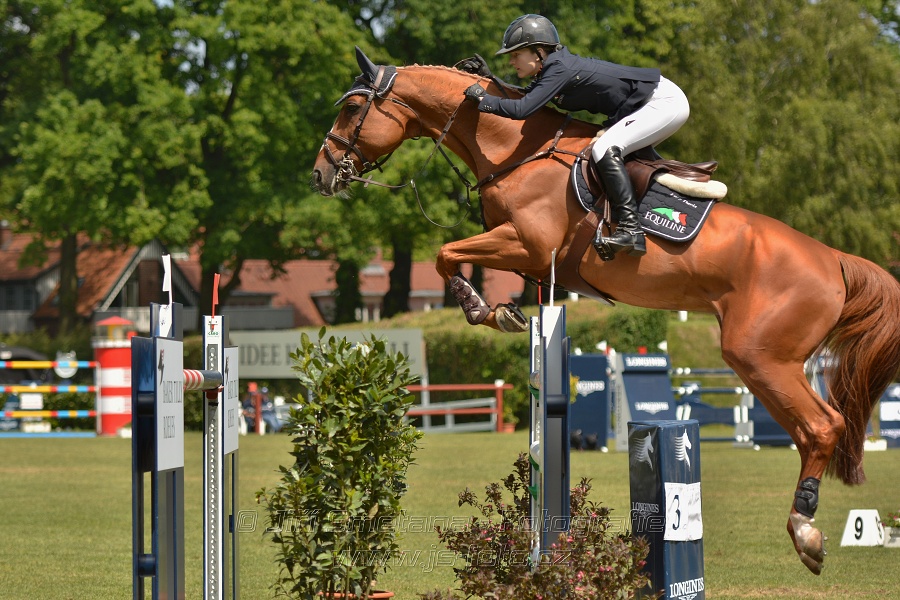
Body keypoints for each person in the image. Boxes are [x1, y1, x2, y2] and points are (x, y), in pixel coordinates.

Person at [463, 14, 690, 261]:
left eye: (516, 54)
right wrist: (490, 80)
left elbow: (522, 109)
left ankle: (631, 230)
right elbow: (526, 97)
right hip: (649, 104)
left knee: (604, 148)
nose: (512, 61)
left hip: (663, 102)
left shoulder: (559, 69)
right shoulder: (552, 69)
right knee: (611, 150)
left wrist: (483, 100)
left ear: (539, 52)